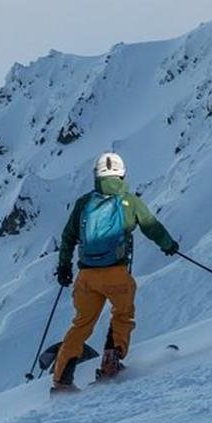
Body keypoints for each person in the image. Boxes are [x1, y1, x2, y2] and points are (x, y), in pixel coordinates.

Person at [51, 152, 178, 394]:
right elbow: (151, 225)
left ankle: (61, 381)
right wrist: (168, 245)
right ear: (122, 174)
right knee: (122, 315)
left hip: (86, 277)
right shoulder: (128, 201)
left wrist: (64, 266)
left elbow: (68, 237)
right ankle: (111, 364)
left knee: (81, 325)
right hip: (116, 274)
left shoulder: (84, 203)